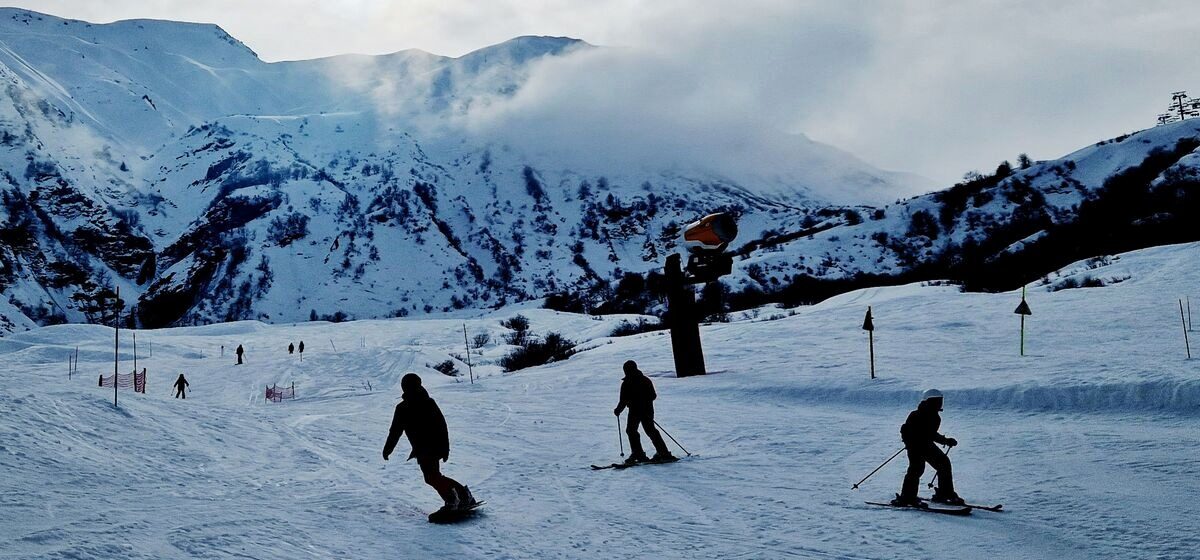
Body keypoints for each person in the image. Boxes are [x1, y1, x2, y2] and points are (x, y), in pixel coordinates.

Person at [383, 373, 476, 513]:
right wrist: (388, 449)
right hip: (424, 448)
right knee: (432, 477)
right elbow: (395, 431)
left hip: (430, 447)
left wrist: (446, 448)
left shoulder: (423, 404)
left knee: (432, 477)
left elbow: (441, 425)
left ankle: (455, 498)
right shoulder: (407, 407)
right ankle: (459, 497)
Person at [892, 389, 964, 507]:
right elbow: (905, 430)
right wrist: (909, 442)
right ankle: (907, 498)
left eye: (941, 401)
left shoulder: (935, 416)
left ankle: (945, 494)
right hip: (915, 446)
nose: (940, 404)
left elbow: (931, 434)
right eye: (938, 401)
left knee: (943, 464)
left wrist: (946, 441)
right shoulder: (916, 414)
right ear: (930, 401)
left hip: (926, 445)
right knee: (917, 469)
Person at [613, 360, 675, 464]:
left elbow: (624, 400)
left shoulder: (627, 383)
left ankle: (639, 453)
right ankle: (662, 453)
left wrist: (618, 410)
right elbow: (653, 396)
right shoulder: (645, 380)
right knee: (647, 430)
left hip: (638, 410)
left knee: (634, 430)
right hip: (645, 410)